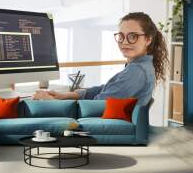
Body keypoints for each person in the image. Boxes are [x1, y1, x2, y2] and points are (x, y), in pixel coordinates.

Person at [33, 12, 169, 106]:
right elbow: (107, 89)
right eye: (121, 36)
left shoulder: (137, 72)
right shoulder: (137, 66)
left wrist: (52, 101)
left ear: (148, 40)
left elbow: (96, 106)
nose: (125, 42)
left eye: (132, 36)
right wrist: (67, 95)